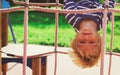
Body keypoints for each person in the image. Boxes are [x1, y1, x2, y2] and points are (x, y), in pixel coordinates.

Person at [64, 0, 114, 68]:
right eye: (91, 42)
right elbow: (110, 3)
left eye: (81, 42)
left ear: (75, 39)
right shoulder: (103, 19)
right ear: (99, 38)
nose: (86, 38)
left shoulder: (72, 17)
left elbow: (68, 1)